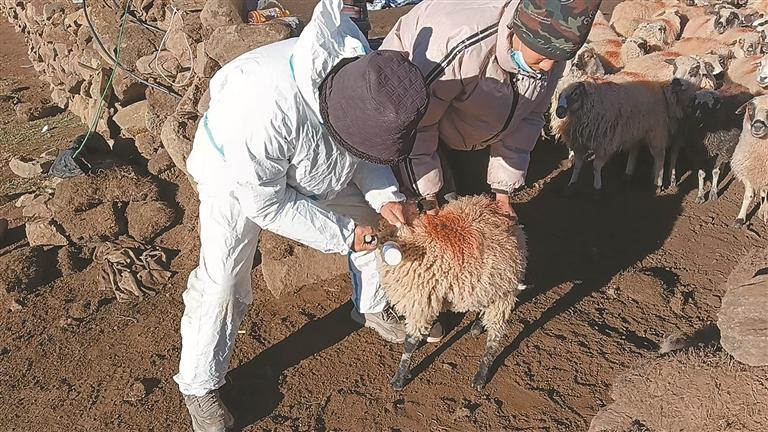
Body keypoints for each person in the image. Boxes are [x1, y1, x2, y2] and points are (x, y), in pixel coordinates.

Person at [173, 2, 431, 430]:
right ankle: (200, 384)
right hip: (236, 174)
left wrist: (385, 195)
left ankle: (371, 307)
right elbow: (266, 203)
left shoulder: (363, 80)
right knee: (223, 281)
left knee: (376, 224)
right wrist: (344, 234)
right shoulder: (263, 108)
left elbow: (366, 149)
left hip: (318, 163)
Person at [381, 0, 602, 214]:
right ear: (520, 32)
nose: (547, 67)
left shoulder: (554, 51)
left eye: (559, 58)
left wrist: (503, 192)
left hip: (463, 116)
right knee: (436, 204)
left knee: (472, 196)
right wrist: (427, 194)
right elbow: (418, 124)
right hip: (404, 110)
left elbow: (528, 117)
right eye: (543, 56)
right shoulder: (457, 47)